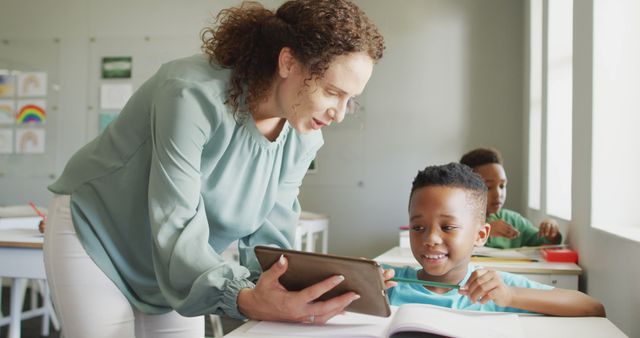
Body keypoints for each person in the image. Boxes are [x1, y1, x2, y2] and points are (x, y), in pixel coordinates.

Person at [43, 1, 393, 337]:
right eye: (333, 92)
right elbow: (175, 218)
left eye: (351, 99)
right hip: (99, 236)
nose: (340, 113)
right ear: (288, 62)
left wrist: (327, 284)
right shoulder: (191, 94)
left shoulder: (303, 137)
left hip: (177, 260)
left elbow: (270, 241)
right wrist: (244, 297)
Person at [385, 163, 605, 316]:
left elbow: (592, 308)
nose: (430, 238)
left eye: (448, 227)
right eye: (418, 227)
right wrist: (360, 284)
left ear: (480, 235)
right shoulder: (389, 283)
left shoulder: (494, 288)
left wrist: (510, 296)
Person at [460, 147, 562, 249]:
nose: (498, 193)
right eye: (488, 187)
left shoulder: (514, 221)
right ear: (466, 188)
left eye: (502, 186)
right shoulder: (457, 220)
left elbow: (541, 241)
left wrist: (551, 232)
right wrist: (482, 231)